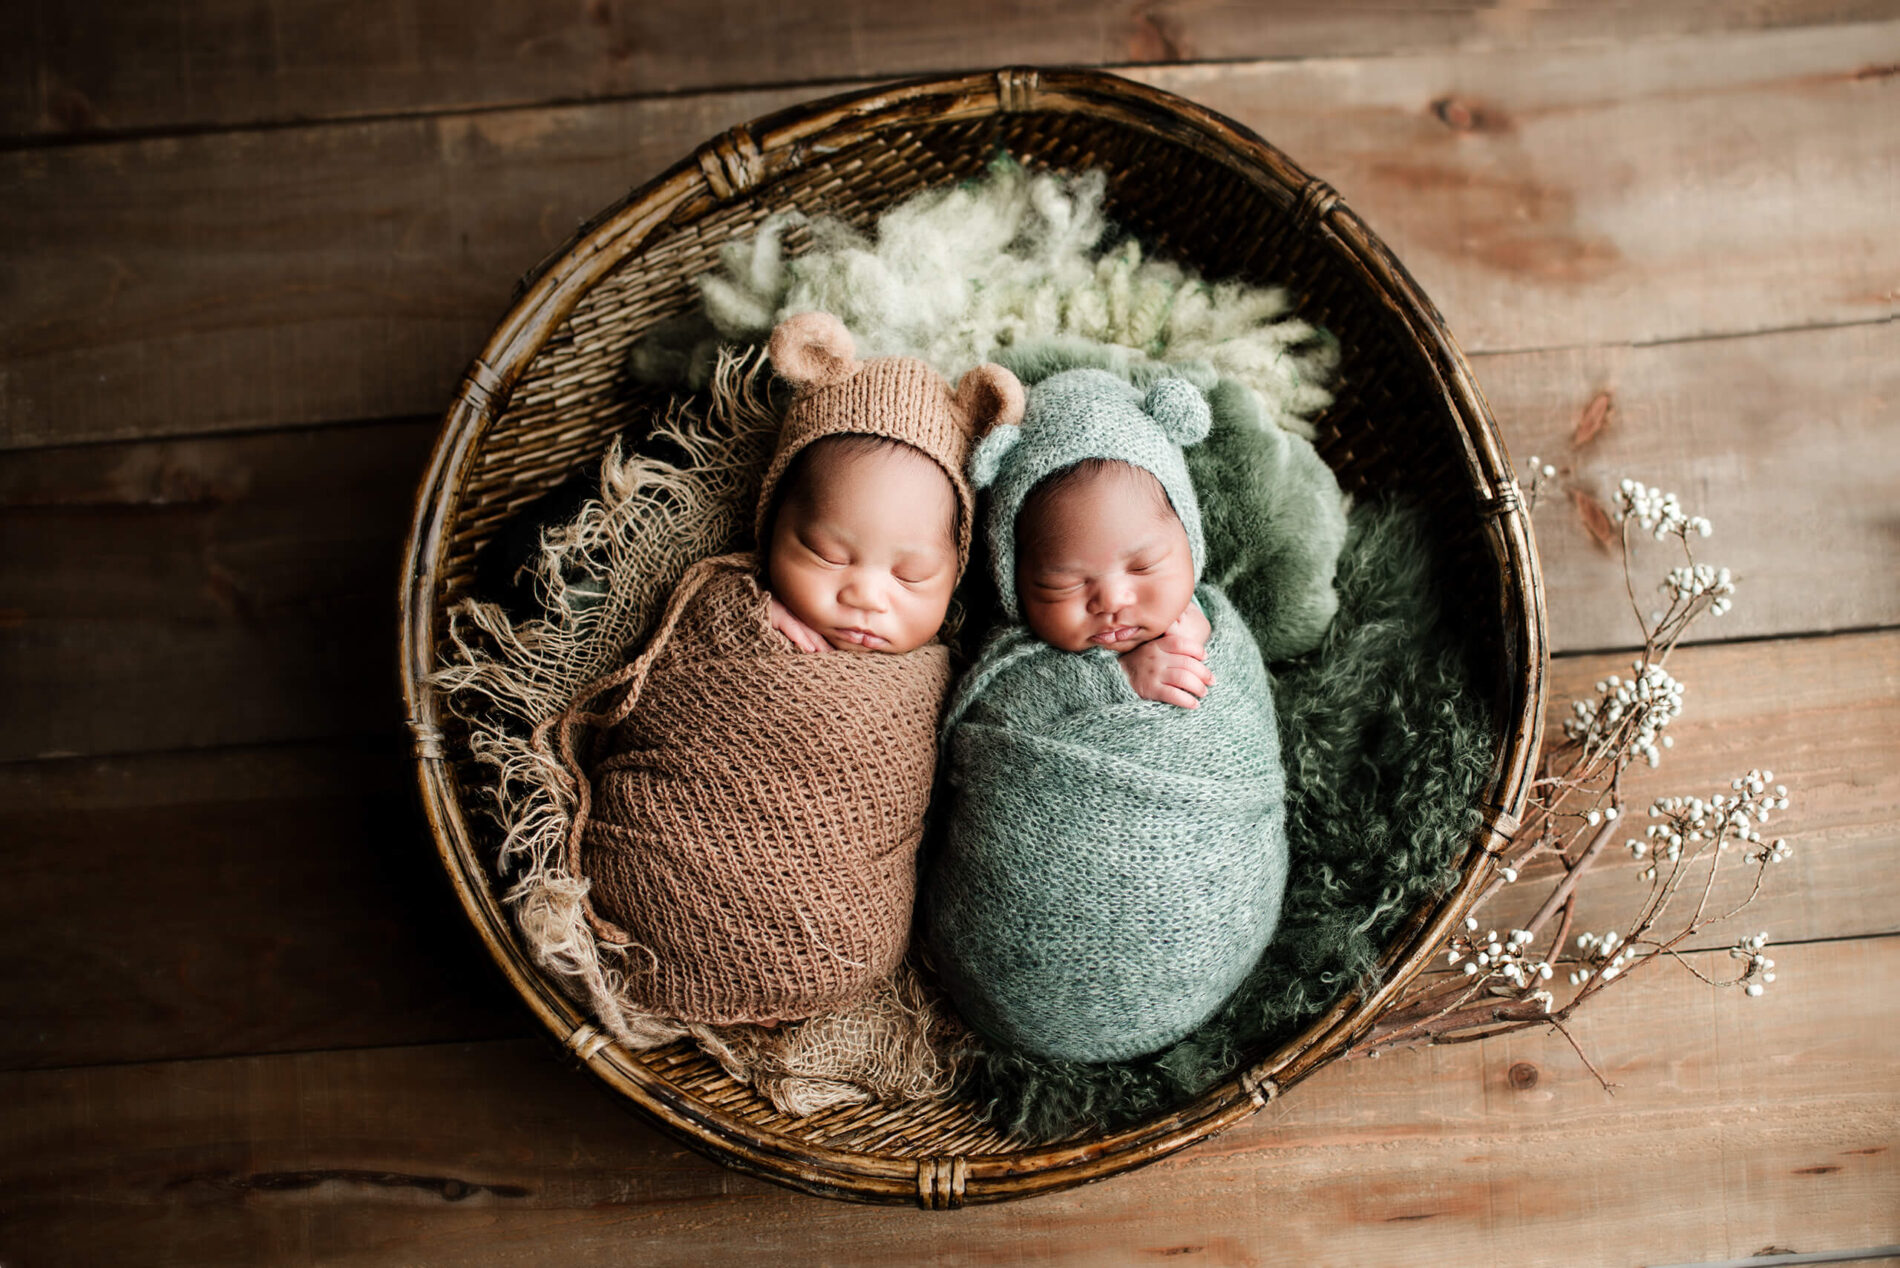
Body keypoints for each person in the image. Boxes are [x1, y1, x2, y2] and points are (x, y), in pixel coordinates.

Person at [552, 311, 1023, 1027]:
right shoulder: (724, 604)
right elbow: (657, 699)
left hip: (837, 938)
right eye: (828, 555)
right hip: (663, 870)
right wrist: (741, 624)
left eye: (911, 575)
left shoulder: (940, 677)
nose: (866, 595)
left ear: (956, 573)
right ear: (770, 526)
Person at [924, 368, 1290, 1063]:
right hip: (1014, 961)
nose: (1112, 601)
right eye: (1062, 584)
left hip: (1208, 930)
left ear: (1189, 543)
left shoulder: (1220, 625)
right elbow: (981, 728)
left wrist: (1204, 650)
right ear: (1014, 584)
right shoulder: (1018, 662)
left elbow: (1245, 725)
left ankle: (1181, 971)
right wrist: (1116, 681)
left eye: (1145, 566)